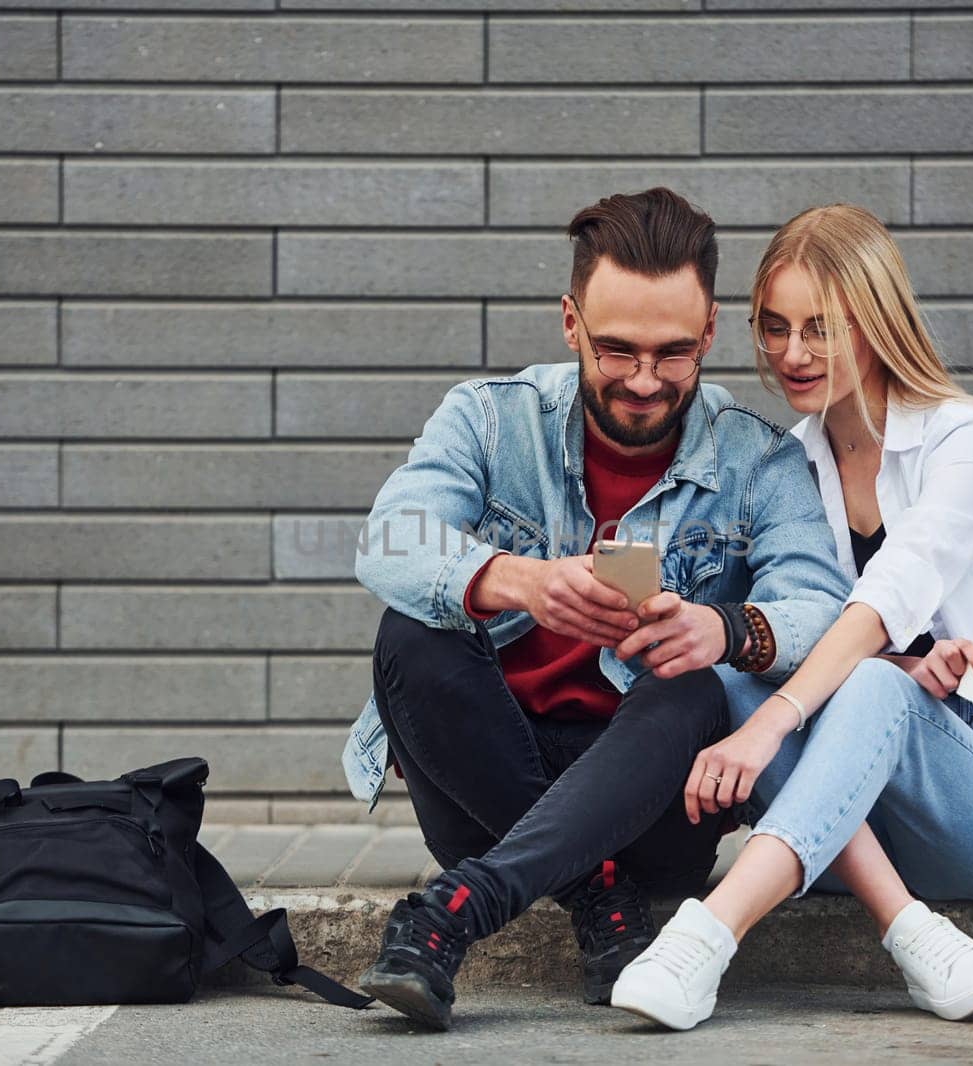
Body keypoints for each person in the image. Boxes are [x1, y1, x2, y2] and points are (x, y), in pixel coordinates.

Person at [339, 187, 853, 1030]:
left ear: (710, 334)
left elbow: (824, 612)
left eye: (673, 354)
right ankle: (593, 893)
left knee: (698, 682)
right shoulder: (492, 418)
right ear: (570, 322)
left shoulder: (757, 459)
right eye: (617, 351)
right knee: (412, 636)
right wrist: (517, 580)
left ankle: (458, 911)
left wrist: (722, 628)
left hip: (650, 797)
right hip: (484, 786)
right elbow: (387, 541)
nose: (645, 382)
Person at [609, 203, 973, 1030]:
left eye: (822, 328)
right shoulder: (786, 463)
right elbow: (787, 628)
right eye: (775, 327)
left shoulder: (966, 442)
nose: (794, 354)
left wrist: (780, 721)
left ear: (876, 322)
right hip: (853, 821)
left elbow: (893, 595)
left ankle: (705, 938)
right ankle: (913, 933)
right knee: (731, 663)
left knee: (863, 686)